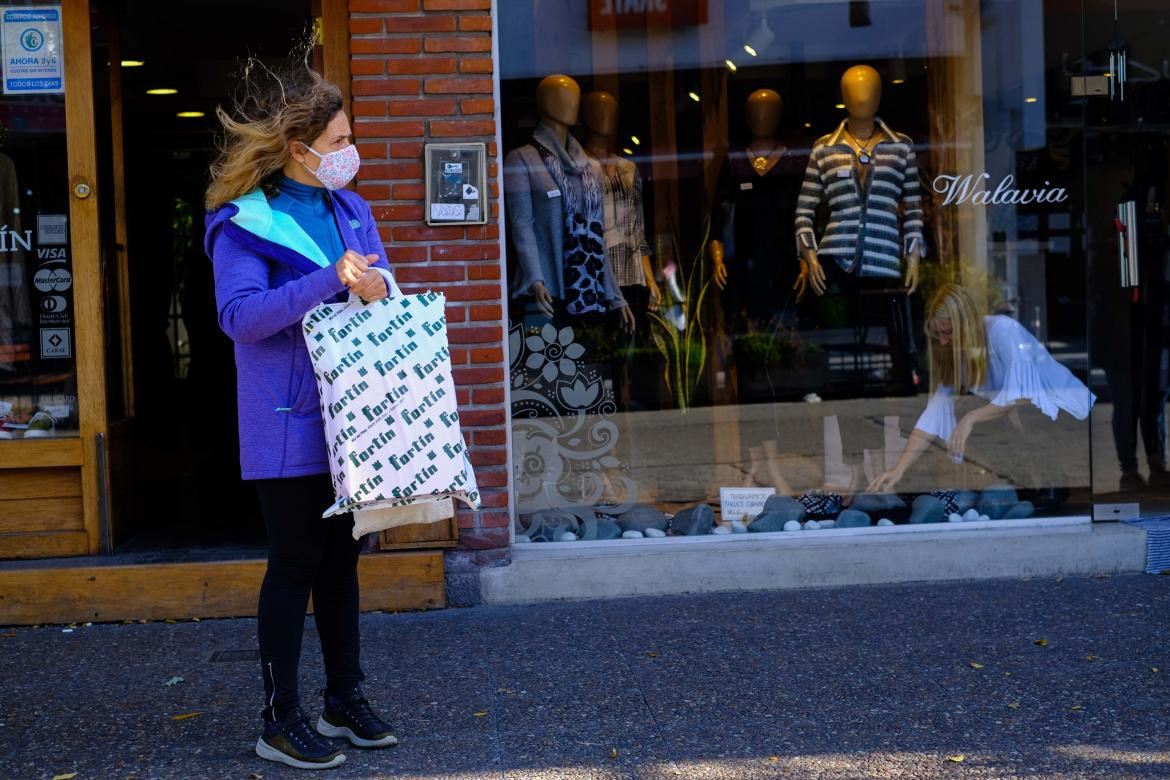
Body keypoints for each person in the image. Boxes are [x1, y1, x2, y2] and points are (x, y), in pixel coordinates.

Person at [204, 57, 399, 770]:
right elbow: (241, 318)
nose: (350, 152)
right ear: (299, 149)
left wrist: (378, 283)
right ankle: (278, 718)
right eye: (340, 139)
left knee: (343, 561)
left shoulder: (352, 208)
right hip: (286, 420)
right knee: (293, 564)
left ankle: (342, 699)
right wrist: (330, 279)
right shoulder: (243, 224)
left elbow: (380, 285)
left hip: (356, 418)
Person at [869, 283, 1095, 492]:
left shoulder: (1002, 330)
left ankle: (1050, 483)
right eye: (938, 334)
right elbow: (933, 414)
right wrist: (898, 470)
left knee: (985, 415)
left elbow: (1025, 392)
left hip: (1063, 409)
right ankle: (1031, 485)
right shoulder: (951, 353)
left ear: (966, 324)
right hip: (1024, 413)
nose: (943, 341)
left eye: (948, 332)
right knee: (974, 412)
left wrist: (971, 418)